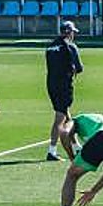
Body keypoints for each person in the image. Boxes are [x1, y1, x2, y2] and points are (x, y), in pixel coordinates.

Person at [44, 20, 84, 161]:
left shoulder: (50, 46)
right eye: (73, 32)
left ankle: (77, 146)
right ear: (69, 32)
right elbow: (79, 68)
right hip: (64, 85)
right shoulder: (70, 46)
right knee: (60, 119)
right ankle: (52, 150)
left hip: (50, 84)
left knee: (66, 115)